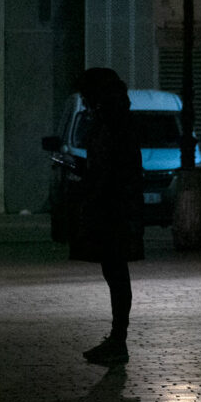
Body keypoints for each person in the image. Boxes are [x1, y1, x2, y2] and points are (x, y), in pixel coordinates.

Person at [73, 68, 144, 367]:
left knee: (116, 272)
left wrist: (88, 180)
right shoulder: (115, 120)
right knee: (114, 272)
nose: (87, 103)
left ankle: (118, 340)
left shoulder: (113, 123)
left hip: (114, 209)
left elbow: (110, 168)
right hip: (115, 207)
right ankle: (117, 339)